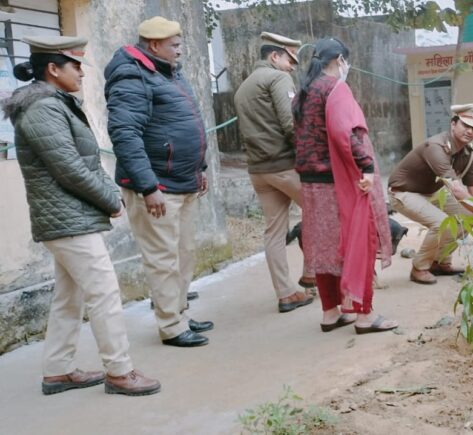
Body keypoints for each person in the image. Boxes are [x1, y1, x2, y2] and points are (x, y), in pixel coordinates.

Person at [2, 35, 160, 396]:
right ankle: (120, 372)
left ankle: (57, 370)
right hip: (68, 221)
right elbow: (70, 168)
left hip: (69, 218)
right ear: (53, 69)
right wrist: (111, 199)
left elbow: (78, 161)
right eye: (76, 66)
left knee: (69, 296)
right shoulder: (43, 109)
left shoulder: (55, 104)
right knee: (104, 292)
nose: (82, 73)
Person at [104, 16, 213, 347]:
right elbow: (125, 134)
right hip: (158, 187)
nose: (180, 51)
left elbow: (184, 123)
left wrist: (201, 168)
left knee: (183, 254)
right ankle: (171, 326)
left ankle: (179, 313)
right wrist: (148, 187)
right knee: (163, 259)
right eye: (174, 45)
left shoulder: (168, 71)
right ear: (154, 45)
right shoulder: (132, 75)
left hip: (184, 181)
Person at [292, 37, 398, 334]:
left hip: (311, 184)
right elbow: (345, 132)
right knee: (360, 242)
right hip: (339, 183)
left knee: (325, 248)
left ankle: (330, 312)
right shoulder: (335, 88)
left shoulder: (303, 92)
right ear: (339, 59)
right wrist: (365, 167)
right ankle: (364, 315)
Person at [234, 31, 315, 313]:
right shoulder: (278, 78)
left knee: (274, 232)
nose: (293, 66)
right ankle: (312, 273)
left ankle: (286, 293)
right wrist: (311, 158)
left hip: (259, 171)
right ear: (274, 56)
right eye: (290, 59)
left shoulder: (243, 86)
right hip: (284, 166)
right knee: (323, 211)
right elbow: (291, 123)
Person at [388, 104, 473, 285]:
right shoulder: (436, 147)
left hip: (431, 192)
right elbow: (457, 190)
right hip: (403, 192)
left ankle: (440, 262)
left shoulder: (467, 153)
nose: (469, 131)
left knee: (467, 219)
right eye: (465, 125)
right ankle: (419, 267)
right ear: (453, 124)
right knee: (441, 224)